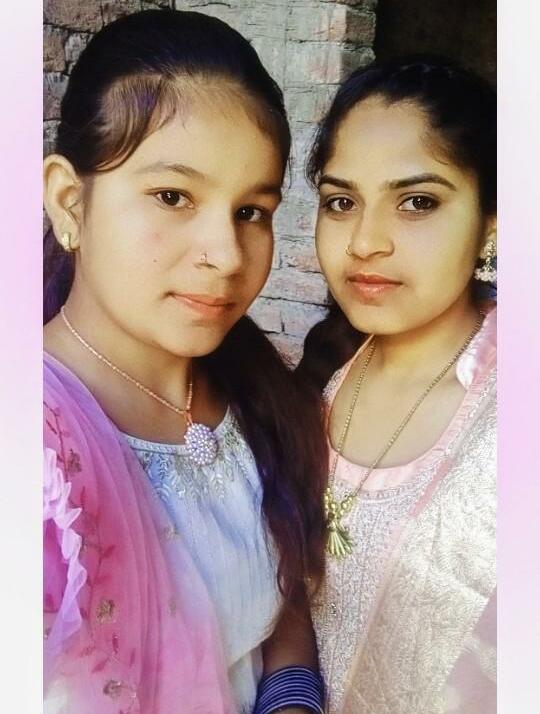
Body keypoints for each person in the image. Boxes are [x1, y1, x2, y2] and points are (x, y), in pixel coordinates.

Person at [43, 9, 327, 714]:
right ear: (70, 202)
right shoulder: (40, 454)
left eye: (252, 211)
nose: (227, 256)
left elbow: (284, 600)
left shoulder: (256, 395)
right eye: (173, 196)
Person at [298, 56, 496, 713]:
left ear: (491, 223)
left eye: (417, 202)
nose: (364, 242)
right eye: (341, 202)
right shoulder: (320, 371)